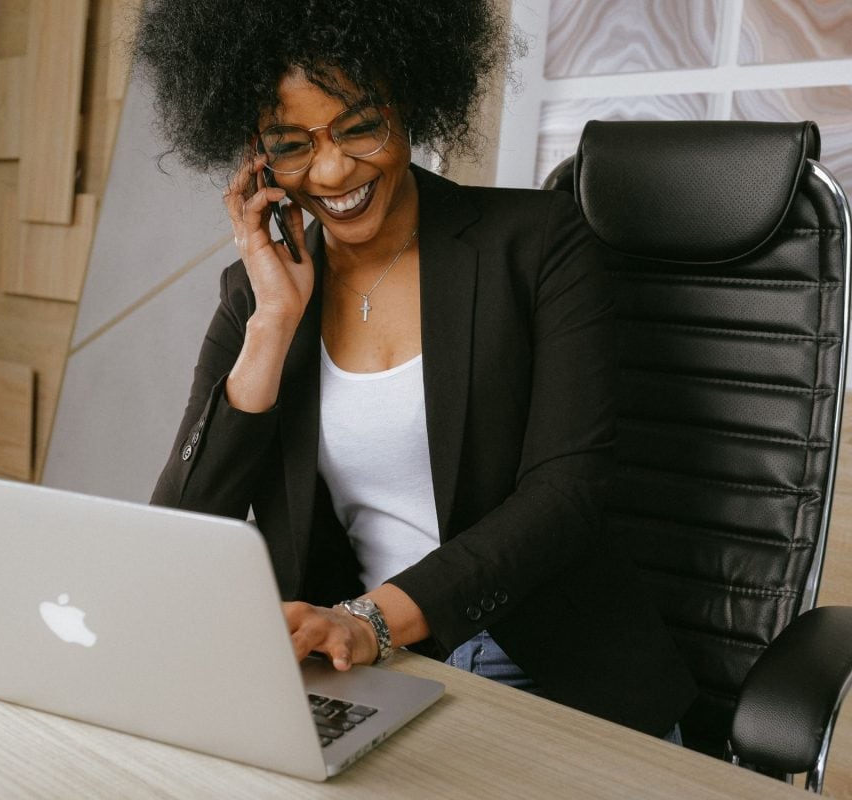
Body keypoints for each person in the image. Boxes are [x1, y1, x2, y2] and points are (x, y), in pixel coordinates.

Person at [137, 0, 697, 739]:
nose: (332, 170)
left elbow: (567, 494)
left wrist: (372, 621)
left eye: (360, 126)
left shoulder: (536, 247)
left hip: (546, 665)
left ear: (410, 102)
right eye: (292, 144)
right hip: (362, 674)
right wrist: (272, 324)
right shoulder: (258, 292)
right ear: (256, 153)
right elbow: (182, 530)